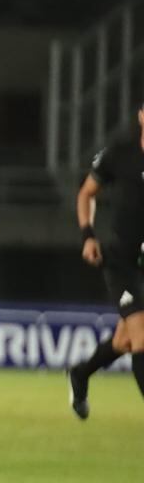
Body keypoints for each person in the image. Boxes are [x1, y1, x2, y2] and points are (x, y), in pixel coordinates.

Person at [66, 100, 144, 416]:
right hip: (122, 262)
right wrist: (88, 236)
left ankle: (81, 372)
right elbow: (86, 193)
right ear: (141, 115)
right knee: (141, 337)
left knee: (125, 340)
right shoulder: (120, 153)